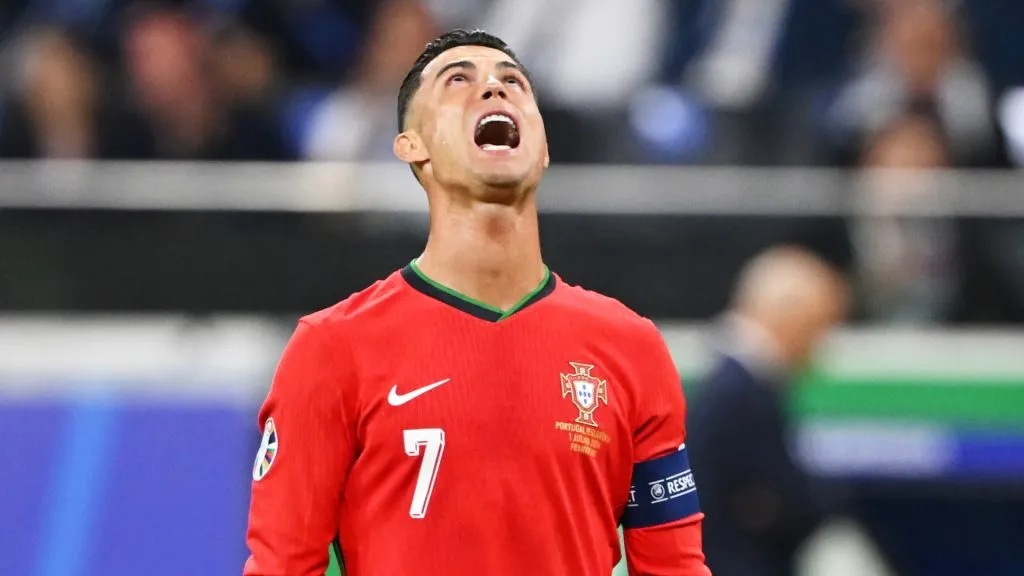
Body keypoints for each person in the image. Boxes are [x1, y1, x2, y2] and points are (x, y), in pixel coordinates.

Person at [243, 29, 711, 576]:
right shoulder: (332, 348)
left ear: (543, 147)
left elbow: (674, 567)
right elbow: (281, 567)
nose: (494, 90)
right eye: (458, 80)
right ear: (411, 144)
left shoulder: (631, 349)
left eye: (513, 83)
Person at [686, 246, 849, 576]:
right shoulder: (739, 394)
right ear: (794, 318)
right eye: (819, 327)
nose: (819, 348)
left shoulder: (741, 389)